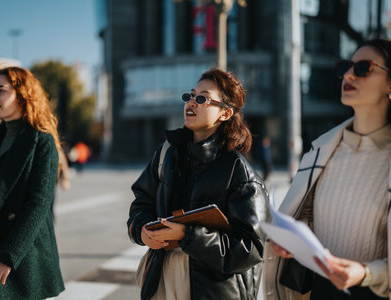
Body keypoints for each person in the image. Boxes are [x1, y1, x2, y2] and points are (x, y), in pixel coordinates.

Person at [263, 38, 391, 300]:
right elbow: (308, 219)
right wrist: (292, 244)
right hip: (319, 293)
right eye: (346, 66)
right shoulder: (322, 150)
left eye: (363, 67)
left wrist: (366, 273)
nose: (347, 74)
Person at [127, 68, 270, 300]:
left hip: (213, 289)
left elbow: (251, 249)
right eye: (190, 96)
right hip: (161, 278)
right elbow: (141, 201)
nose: (191, 102)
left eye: (202, 98)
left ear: (225, 114)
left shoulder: (237, 170)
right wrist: (141, 230)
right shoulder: (167, 152)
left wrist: (188, 235)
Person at [0, 66, 65, 299]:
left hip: (22, 259)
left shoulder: (42, 142)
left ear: (22, 94)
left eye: (1, 90)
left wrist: (8, 257)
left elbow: (38, 206)